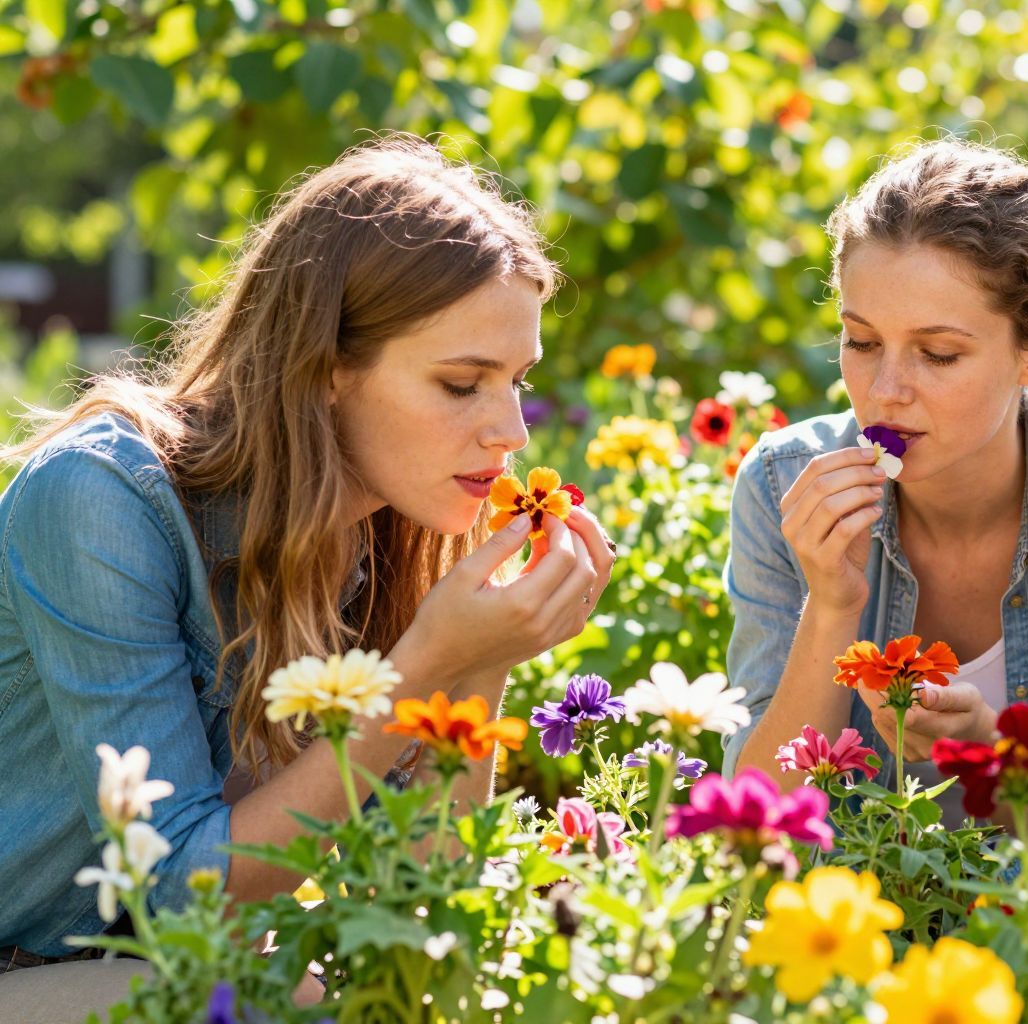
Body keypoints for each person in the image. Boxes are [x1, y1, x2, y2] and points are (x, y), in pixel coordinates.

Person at [0, 137, 615, 1014]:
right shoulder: (100, 500)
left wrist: (483, 662)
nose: (512, 430)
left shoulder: (380, 538)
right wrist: (423, 674)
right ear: (325, 369)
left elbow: (421, 898)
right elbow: (179, 893)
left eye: (517, 381)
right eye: (461, 384)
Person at [722, 139, 1028, 886]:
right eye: (860, 341)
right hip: (858, 914)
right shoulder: (781, 486)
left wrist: (987, 761)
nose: (884, 391)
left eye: (937, 354)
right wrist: (831, 604)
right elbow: (750, 829)